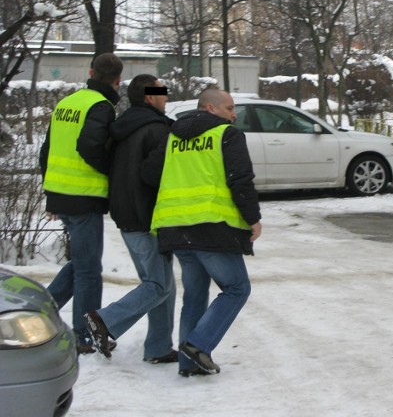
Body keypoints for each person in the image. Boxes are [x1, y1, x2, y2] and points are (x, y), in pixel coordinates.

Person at [142, 87, 262, 377]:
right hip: (212, 228)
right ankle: (198, 345)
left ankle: (189, 363)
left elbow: (148, 173)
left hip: (175, 228)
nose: (234, 114)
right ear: (210, 108)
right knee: (237, 288)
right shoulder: (227, 135)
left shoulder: (172, 137)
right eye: (230, 108)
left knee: (195, 295)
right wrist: (253, 219)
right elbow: (240, 179)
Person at [84, 75, 178, 363]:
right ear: (149, 97)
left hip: (125, 214)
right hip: (147, 217)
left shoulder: (122, 127)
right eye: (162, 92)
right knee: (158, 286)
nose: (166, 96)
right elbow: (154, 175)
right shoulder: (157, 129)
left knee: (161, 284)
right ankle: (106, 321)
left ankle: (159, 347)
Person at [39, 52, 123, 354]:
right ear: (118, 80)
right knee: (89, 270)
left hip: (62, 195)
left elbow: (46, 150)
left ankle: (42, 310)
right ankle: (84, 336)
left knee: (82, 264)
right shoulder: (101, 107)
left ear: (90, 72)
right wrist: (109, 170)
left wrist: (52, 193)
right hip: (83, 197)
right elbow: (88, 146)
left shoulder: (67, 103)